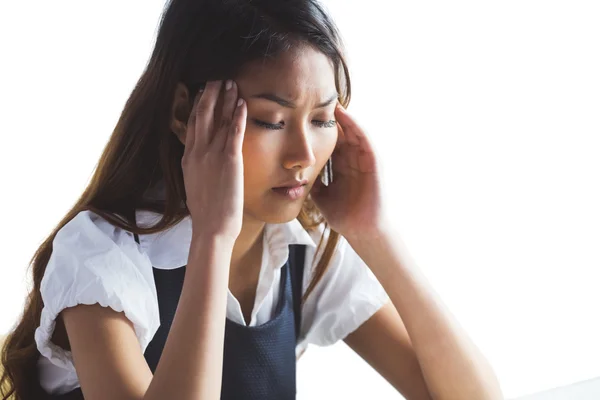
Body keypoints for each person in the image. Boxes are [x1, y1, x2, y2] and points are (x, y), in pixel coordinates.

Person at [0, 0, 505, 399]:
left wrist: (374, 234)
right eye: (271, 120)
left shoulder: (302, 250)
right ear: (184, 112)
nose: (303, 155)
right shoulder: (102, 253)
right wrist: (212, 238)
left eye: (323, 118)